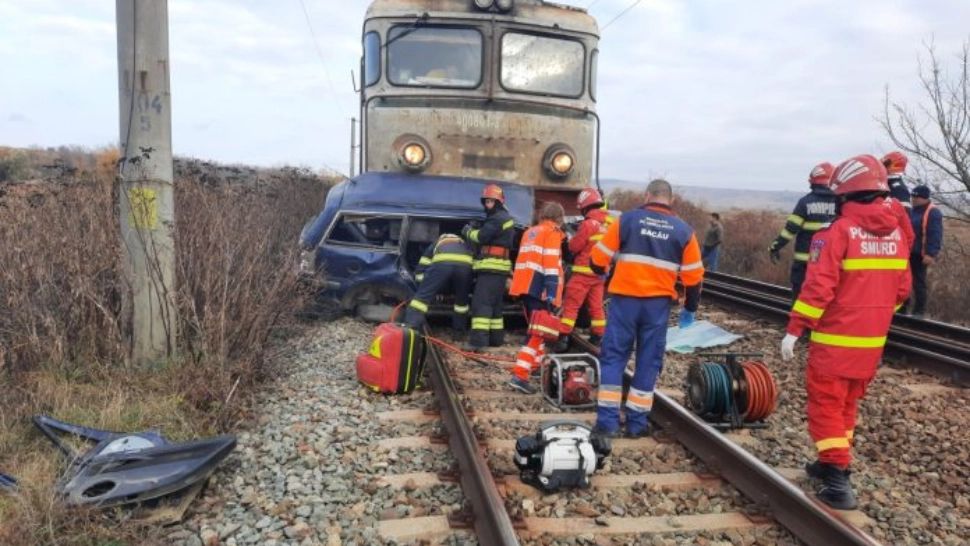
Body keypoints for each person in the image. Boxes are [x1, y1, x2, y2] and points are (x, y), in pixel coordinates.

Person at [781, 154, 911, 510]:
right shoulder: (898, 235)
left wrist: (795, 330)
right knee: (847, 405)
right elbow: (901, 292)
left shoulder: (836, 233)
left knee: (825, 405)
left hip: (834, 342)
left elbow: (817, 289)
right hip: (871, 346)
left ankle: (837, 479)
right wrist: (874, 316)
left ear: (845, 194)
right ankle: (828, 463)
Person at [590, 179, 704, 438]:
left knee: (614, 358)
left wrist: (606, 274)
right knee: (648, 362)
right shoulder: (684, 231)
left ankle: (607, 424)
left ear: (647, 195)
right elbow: (694, 278)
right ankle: (636, 424)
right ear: (671, 200)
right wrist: (690, 309)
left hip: (624, 303)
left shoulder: (627, 220)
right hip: (657, 307)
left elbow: (597, 259)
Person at [508, 203, 566, 393]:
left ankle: (535, 366)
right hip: (540, 288)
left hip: (526, 287)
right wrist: (550, 291)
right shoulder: (552, 233)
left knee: (536, 330)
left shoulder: (531, 232)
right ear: (559, 218)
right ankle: (520, 374)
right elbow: (550, 264)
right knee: (537, 333)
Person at [768, 162, 838, 301]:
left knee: (800, 298)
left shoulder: (805, 203)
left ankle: (799, 322)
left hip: (804, 264)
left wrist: (774, 247)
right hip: (830, 265)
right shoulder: (841, 203)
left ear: (812, 181)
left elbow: (790, 230)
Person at [463, 184, 516, 351]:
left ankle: (478, 343)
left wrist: (468, 231)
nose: (488, 205)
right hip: (499, 269)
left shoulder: (497, 218)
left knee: (482, 304)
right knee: (495, 305)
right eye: (486, 201)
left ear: (499, 202)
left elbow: (481, 237)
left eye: (491, 201)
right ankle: (495, 339)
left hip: (491, 268)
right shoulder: (504, 217)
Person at [555, 188, 609, 352]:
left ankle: (563, 338)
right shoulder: (606, 225)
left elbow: (575, 246)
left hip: (583, 273)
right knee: (596, 307)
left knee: (571, 305)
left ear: (585, 207)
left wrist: (568, 244)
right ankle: (598, 336)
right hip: (599, 275)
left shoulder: (588, 224)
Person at [402, 233, 473, 332]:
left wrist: (423, 286)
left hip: (443, 264)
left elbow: (421, 268)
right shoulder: (463, 244)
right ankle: (459, 332)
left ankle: (411, 327)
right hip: (465, 267)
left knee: (420, 300)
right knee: (461, 303)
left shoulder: (437, 242)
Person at [907, 185, 943, 317]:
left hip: (920, 254)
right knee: (905, 282)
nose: (914, 199)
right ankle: (903, 308)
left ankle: (919, 311)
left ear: (924, 198)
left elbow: (935, 234)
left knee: (918, 283)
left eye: (917, 197)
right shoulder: (913, 211)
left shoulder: (933, 212)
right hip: (908, 253)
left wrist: (930, 254)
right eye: (913, 196)